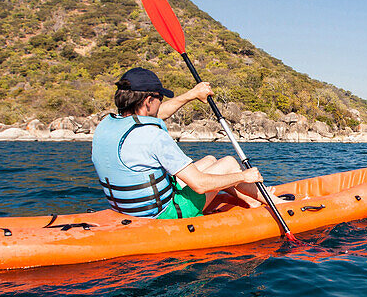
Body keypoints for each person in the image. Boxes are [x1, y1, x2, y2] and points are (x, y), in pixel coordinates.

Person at [91, 67, 267, 219]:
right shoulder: (153, 135)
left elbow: (157, 114)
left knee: (210, 160)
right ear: (148, 101)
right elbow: (200, 185)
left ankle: (251, 200)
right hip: (164, 214)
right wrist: (244, 176)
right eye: (160, 98)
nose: (161, 103)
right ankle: (275, 203)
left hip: (128, 211)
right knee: (228, 163)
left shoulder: (106, 125)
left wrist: (192, 94)